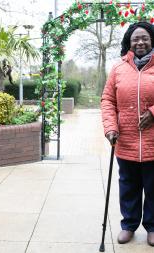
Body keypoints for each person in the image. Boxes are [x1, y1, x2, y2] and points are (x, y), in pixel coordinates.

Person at [101, 21, 154, 246]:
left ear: (151, 40)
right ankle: (129, 225)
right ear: (129, 43)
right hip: (126, 142)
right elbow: (107, 100)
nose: (140, 42)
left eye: (144, 38)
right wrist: (111, 127)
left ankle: (152, 227)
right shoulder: (118, 68)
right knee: (128, 186)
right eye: (135, 39)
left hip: (153, 143)